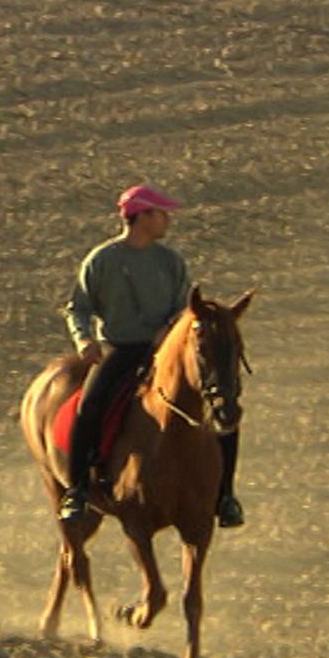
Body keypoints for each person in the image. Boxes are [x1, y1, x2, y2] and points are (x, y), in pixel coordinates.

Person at [60, 185, 244, 527]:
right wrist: (84, 339)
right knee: (89, 406)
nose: (167, 220)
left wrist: (171, 328)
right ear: (142, 216)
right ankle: (78, 489)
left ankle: (226, 495)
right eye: (161, 213)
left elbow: (184, 308)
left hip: (166, 350)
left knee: (222, 404)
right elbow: (79, 308)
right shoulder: (101, 261)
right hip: (120, 348)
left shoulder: (170, 260)